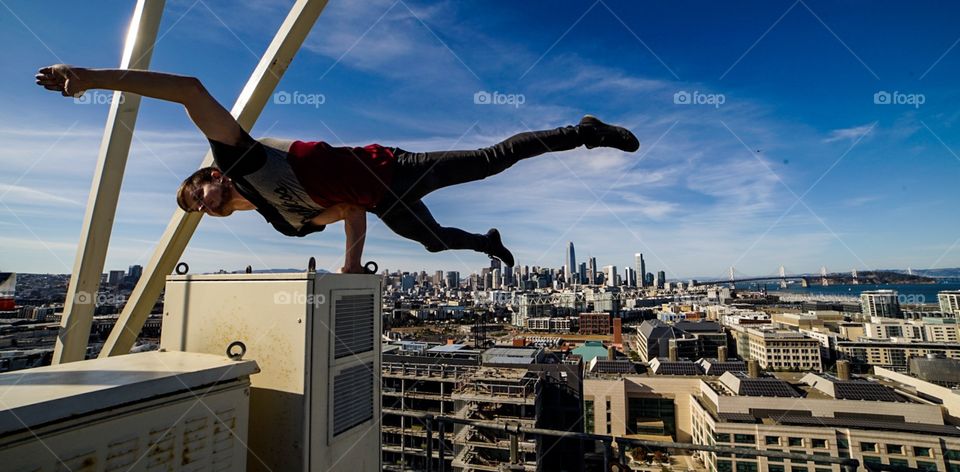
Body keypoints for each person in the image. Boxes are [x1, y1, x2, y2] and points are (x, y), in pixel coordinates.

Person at [36, 64, 639, 273]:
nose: (202, 203)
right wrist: (350, 261)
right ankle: (487, 244)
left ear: (209, 177)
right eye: (197, 208)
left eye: (197, 191)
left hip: (392, 169)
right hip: (380, 201)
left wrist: (92, 79)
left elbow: (191, 90)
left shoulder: (241, 161)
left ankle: (581, 132)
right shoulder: (285, 226)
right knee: (432, 244)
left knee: (488, 162)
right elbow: (348, 210)